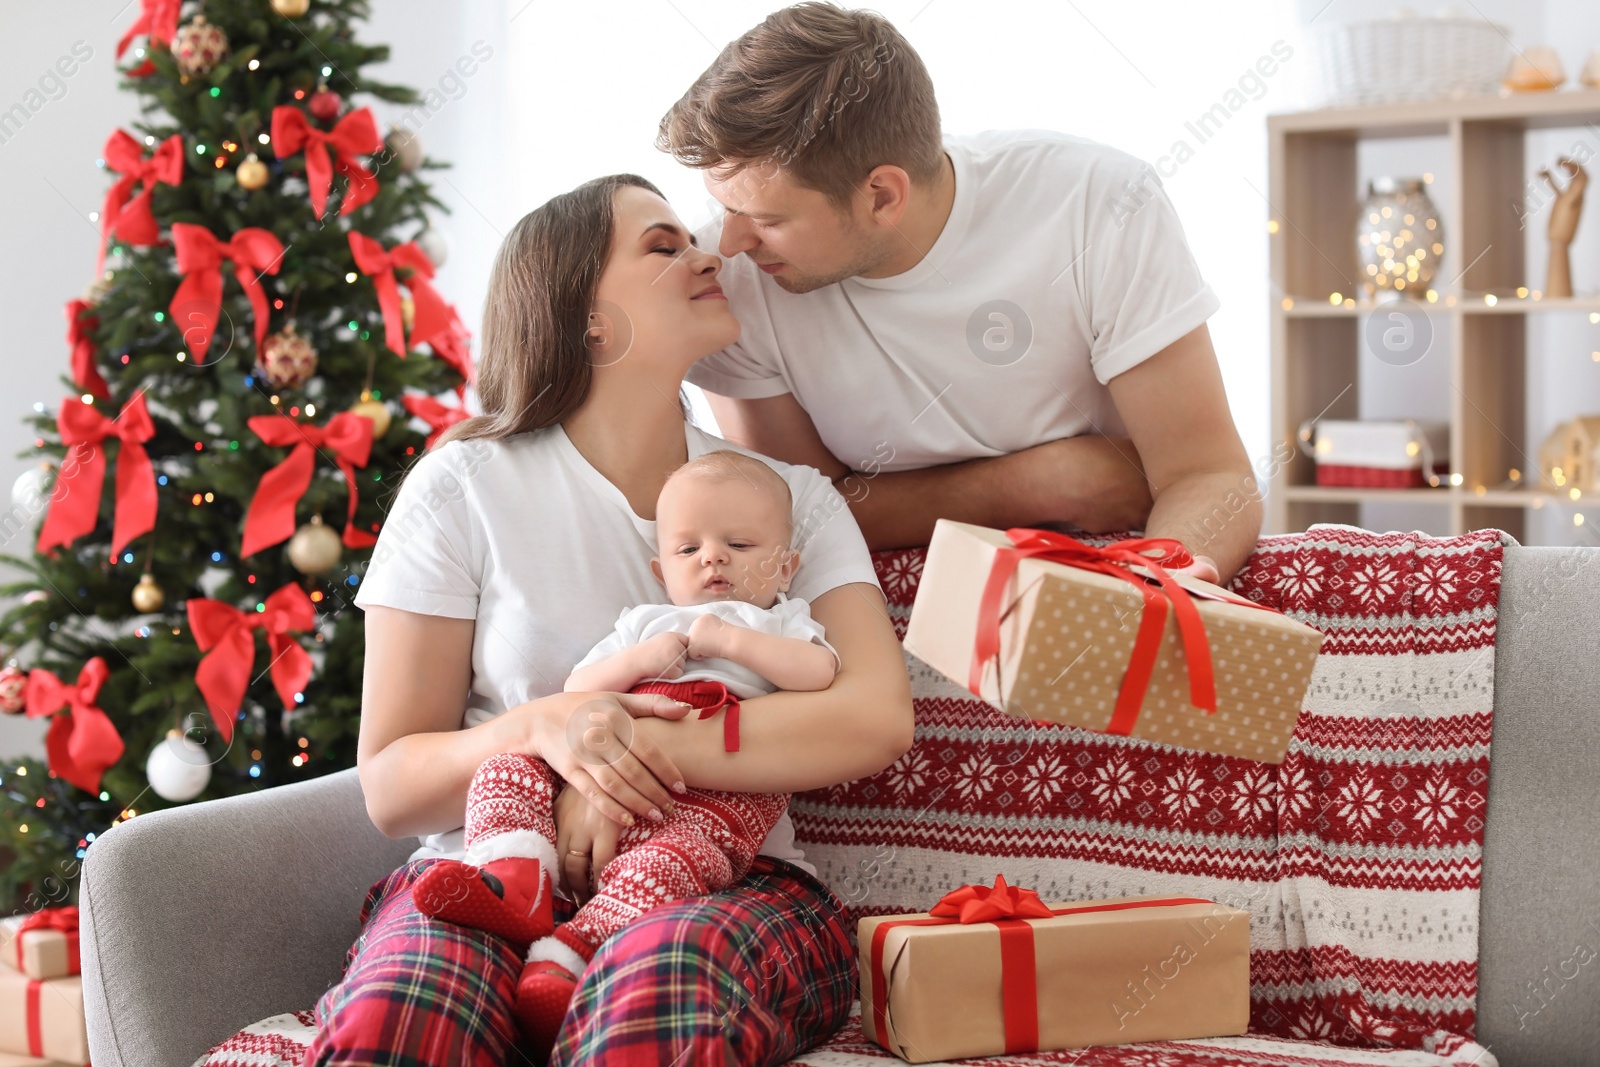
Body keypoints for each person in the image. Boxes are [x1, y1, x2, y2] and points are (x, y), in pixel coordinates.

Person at [303, 173, 913, 1066]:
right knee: (402, 1017)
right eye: (663, 246)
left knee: (652, 1002)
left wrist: (619, 755)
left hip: (729, 882)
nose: (708, 253)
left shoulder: (795, 502)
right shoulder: (462, 486)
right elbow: (394, 786)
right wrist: (550, 729)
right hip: (493, 872)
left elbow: (871, 717)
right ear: (584, 316)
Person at [659, 2, 1262, 583]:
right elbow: (795, 520)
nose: (729, 243)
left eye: (764, 218)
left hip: (1112, 565)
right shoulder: (729, 283)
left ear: (882, 197)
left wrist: (1158, 598)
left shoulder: (1097, 203)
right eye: (722, 207)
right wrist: (1031, 485)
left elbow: (1207, 474)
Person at [408, 449, 841, 1058]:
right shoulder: (644, 622)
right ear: (661, 570)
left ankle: (570, 956)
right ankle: (514, 874)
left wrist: (731, 640)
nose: (713, 558)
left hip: (715, 798)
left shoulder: (780, 621)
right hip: (598, 774)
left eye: (740, 545)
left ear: (787, 566)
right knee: (505, 769)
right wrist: (641, 659)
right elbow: (580, 689)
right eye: (689, 550)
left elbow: (819, 673)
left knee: (668, 865)